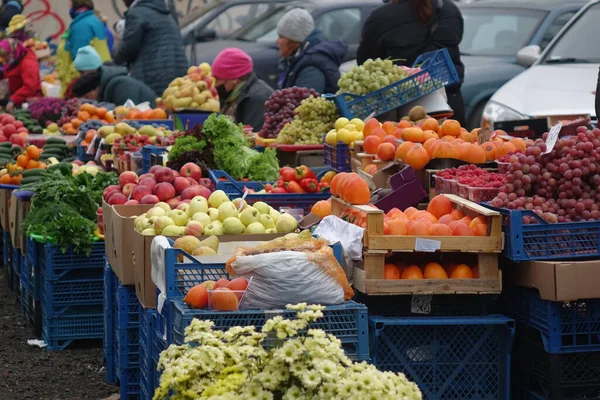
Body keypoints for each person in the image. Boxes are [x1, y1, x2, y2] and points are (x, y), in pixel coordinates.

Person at [357, 0, 466, 125]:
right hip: (450, 107)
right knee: (466, 141)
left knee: (409, 144)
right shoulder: (450, 9)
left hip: (405, 115)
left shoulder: (381, 17)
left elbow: (366, 63)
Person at [113, 0, 188, 97]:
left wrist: (114, 58)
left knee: (155, 109)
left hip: (153, 76)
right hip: (177, 75)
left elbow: (127, 49)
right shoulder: (166, 11)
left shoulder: (137, 13)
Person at [276, 8, 347, 94]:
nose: (277, 41)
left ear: (294, 40)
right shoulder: (295, 59)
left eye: (281, 37)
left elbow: (303, 104)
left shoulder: (311, 69)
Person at [56, 0, 112, 97]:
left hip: (85, 84)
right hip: (98, 76)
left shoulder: (81, 25)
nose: (69, 5)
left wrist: (67, 91)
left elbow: (78, 62)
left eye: (70, 2)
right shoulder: (93, 20)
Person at [211, 48, 274, 132]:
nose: (216, 85)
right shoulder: (230, 96)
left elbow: (254, 138)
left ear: (235, 79)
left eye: (218, 79)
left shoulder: (258, 99)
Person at [71, 65, 157, 107]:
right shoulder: (112, 85)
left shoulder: (121, 85)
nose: (89, 101)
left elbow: (127, 115)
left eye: (87, 96)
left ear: (95, 89)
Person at [0, 38, 42, 112]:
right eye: (2, 56)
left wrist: (13, 100)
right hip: (14, 96)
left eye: (6, 55)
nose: (4, 59)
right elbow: (7, 72)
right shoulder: (14, 60)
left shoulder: (28, 63)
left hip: (28, 102)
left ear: (13, 51)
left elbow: (30, 87)